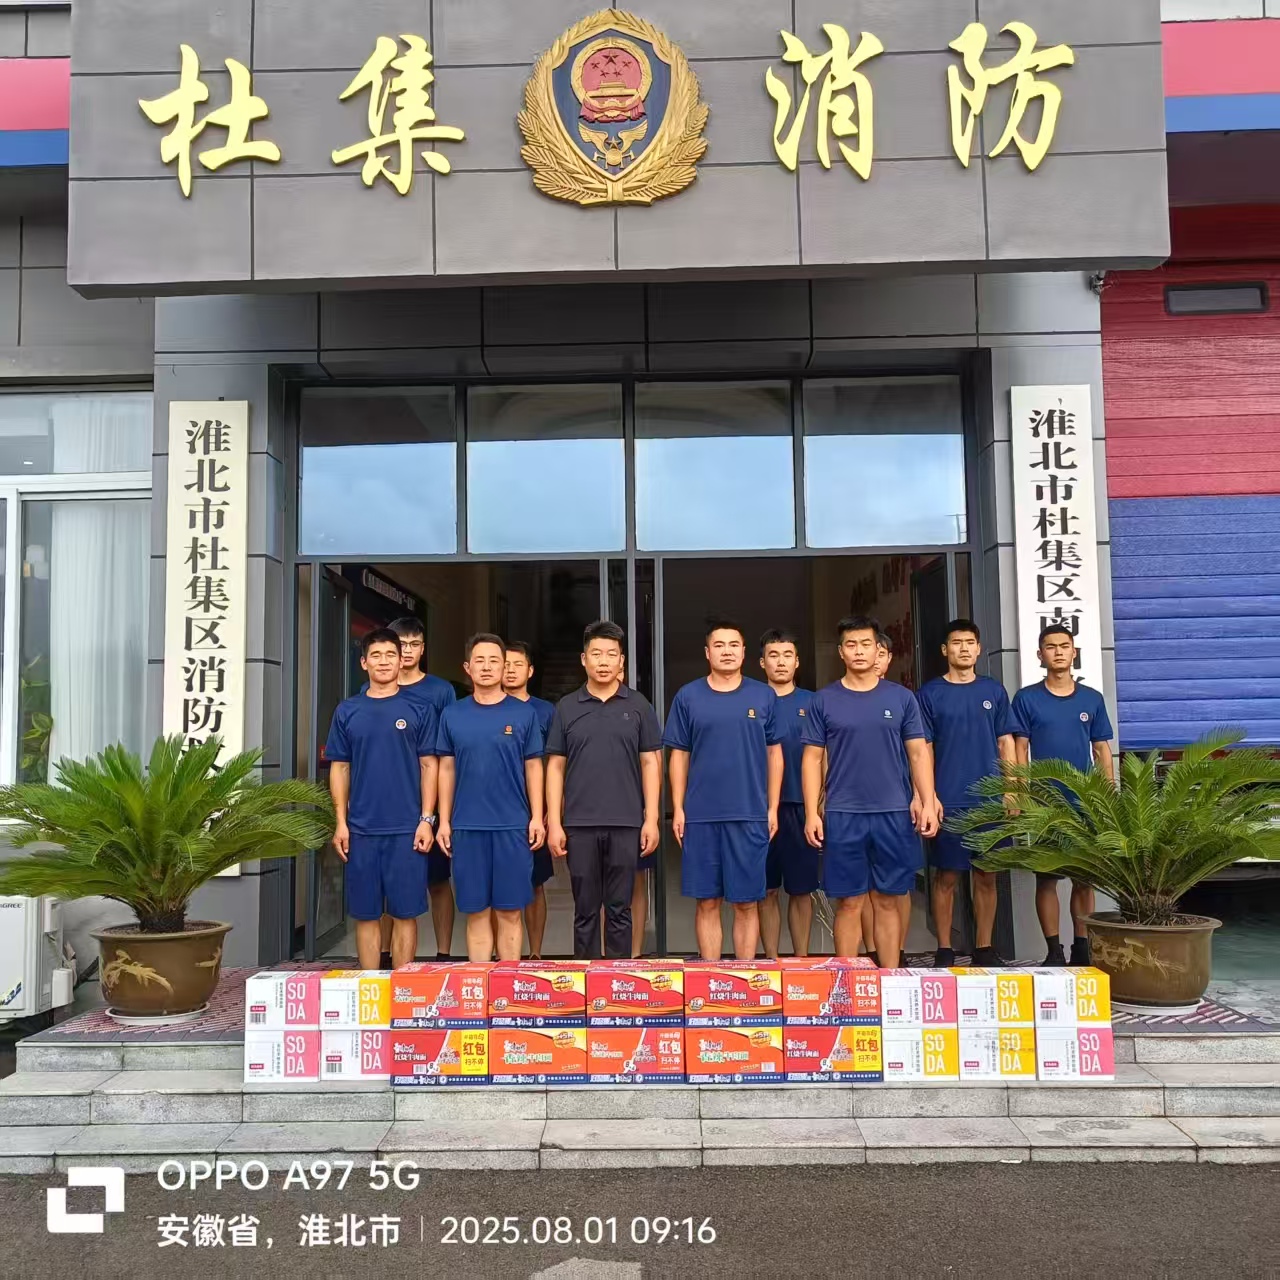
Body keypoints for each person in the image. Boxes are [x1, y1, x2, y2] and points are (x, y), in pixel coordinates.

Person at [802, 615, 938, 968]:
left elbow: (918, 753)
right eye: (851, 645)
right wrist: (812, 812)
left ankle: (889, 979)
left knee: (888, 900)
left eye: (866, 644)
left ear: (879, 650)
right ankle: (847, 982)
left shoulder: (902, 698)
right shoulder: (824, 700)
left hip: (893, 813)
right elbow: (812, 759)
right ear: (841, 652)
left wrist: (927, 801)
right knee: (849, 902)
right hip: (843, 813)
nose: (859, 651)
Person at [665, 618, 783, 961]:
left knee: (746, 902)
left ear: (744, 652)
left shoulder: (763, 696)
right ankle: (710, 976)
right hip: (701, 816)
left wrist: (772, 807)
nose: (727, 652)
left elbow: (774, 754)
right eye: (719, 645)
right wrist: (679, 807)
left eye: (733, 645)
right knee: (707, 901)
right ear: (707, 653)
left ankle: (745, 975)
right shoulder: (688, 696)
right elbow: (679, 756)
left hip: (749, 814)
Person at [546, 620, 663, 959]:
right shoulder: (566, 707)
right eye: (596, 654)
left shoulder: (638, 705)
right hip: (579, 824)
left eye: (611, 654)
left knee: (619, 910)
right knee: (584, 910)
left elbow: (650, 763)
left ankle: (617, 980)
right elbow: (555, 767)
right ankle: (584, 978)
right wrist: (555, 821)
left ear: (621, 661)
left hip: (626, 822)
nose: (604, 661)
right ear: (584, 659)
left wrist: (651, 819)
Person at [325, 629, 437, 970]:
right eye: (376, 655)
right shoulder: (348, 711)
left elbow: (429, 765)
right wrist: (341, 822)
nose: (384, 661)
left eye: (391, 654)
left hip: (407, 829)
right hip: (361, 829)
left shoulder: (419, 708)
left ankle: (403, 987)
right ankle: (369, 986)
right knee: (366, 914)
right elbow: (340, 768)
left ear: (401, 660)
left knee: (405, 913)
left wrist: (427, 819)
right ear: (364, 663)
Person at [436, 634, 547, 963]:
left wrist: (537, 817)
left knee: (510, 912)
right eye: (479, 661)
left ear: (504, 667)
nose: (486, 667)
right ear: (467, 668)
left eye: (494, 661)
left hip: (513, 827)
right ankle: (481, 983)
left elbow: (534, 768)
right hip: (467, 827)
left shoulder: (524, 714)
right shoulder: (452, 715)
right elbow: (446, 770)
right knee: (477, 912)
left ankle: (508, 985)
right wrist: (444, 821)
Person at [1011, 625, 1115, 967]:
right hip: (1046, 805)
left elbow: (1101, 750)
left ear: (1074, 652)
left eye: (1064, 646)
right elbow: (1020, 749)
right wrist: (1021, 793)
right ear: (1040, 655)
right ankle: (1053, 951)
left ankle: (1081, 948)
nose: (1058, 651)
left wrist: (1108, 798)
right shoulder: (1026, 699)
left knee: (1085, 879)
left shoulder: (1091, 699)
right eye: (1050, 646)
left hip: (1085, 804)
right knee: (1047, 879)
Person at [918, 619, 1017, 967]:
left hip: (990, 800)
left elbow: (1006, 743)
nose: (963, 648)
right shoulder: (929, 694)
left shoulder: (994, 691)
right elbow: (924, 749)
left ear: (978, 649)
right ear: (945, 650)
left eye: (969, 642)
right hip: (948, 800)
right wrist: (929, 796)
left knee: (987, 875)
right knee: (946, 876)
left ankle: (984, 948)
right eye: (956, 643)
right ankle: (944, 947)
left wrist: (1012, 789)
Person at [367, 616, 457, 967]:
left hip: (427, 805)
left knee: (438, 881)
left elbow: (445, 753)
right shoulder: (370, 690)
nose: (406, 652)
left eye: (414, 644)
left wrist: (438, 814)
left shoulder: (440, 691)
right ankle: (385, 955)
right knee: (388, 888)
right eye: (400, 645)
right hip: (384, 808)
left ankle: (444, 953)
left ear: (423, 649)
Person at [757, 628, 817, 958]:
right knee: (765, 890)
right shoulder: (752, 700)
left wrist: (818, 806)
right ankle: (771, 959)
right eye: (773, 655)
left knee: (801, 890)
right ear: (761, 662)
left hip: (801, 807)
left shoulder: (813, 702)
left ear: (797, 661)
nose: (780, 662)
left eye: (787, 655)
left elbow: (824, 757)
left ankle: (802, 960)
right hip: (759, 808)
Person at [503, 642, 557, 959]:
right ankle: (502, 957)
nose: (510, 670)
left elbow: (555, 764)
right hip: (499, 811)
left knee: (535, 884)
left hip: (534, 811)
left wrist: (550, 809)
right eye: (505, 664)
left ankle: (535, 954)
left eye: (517, 664)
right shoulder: (486, 709)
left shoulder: (546, 711)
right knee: (499, 890)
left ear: (530, 670)